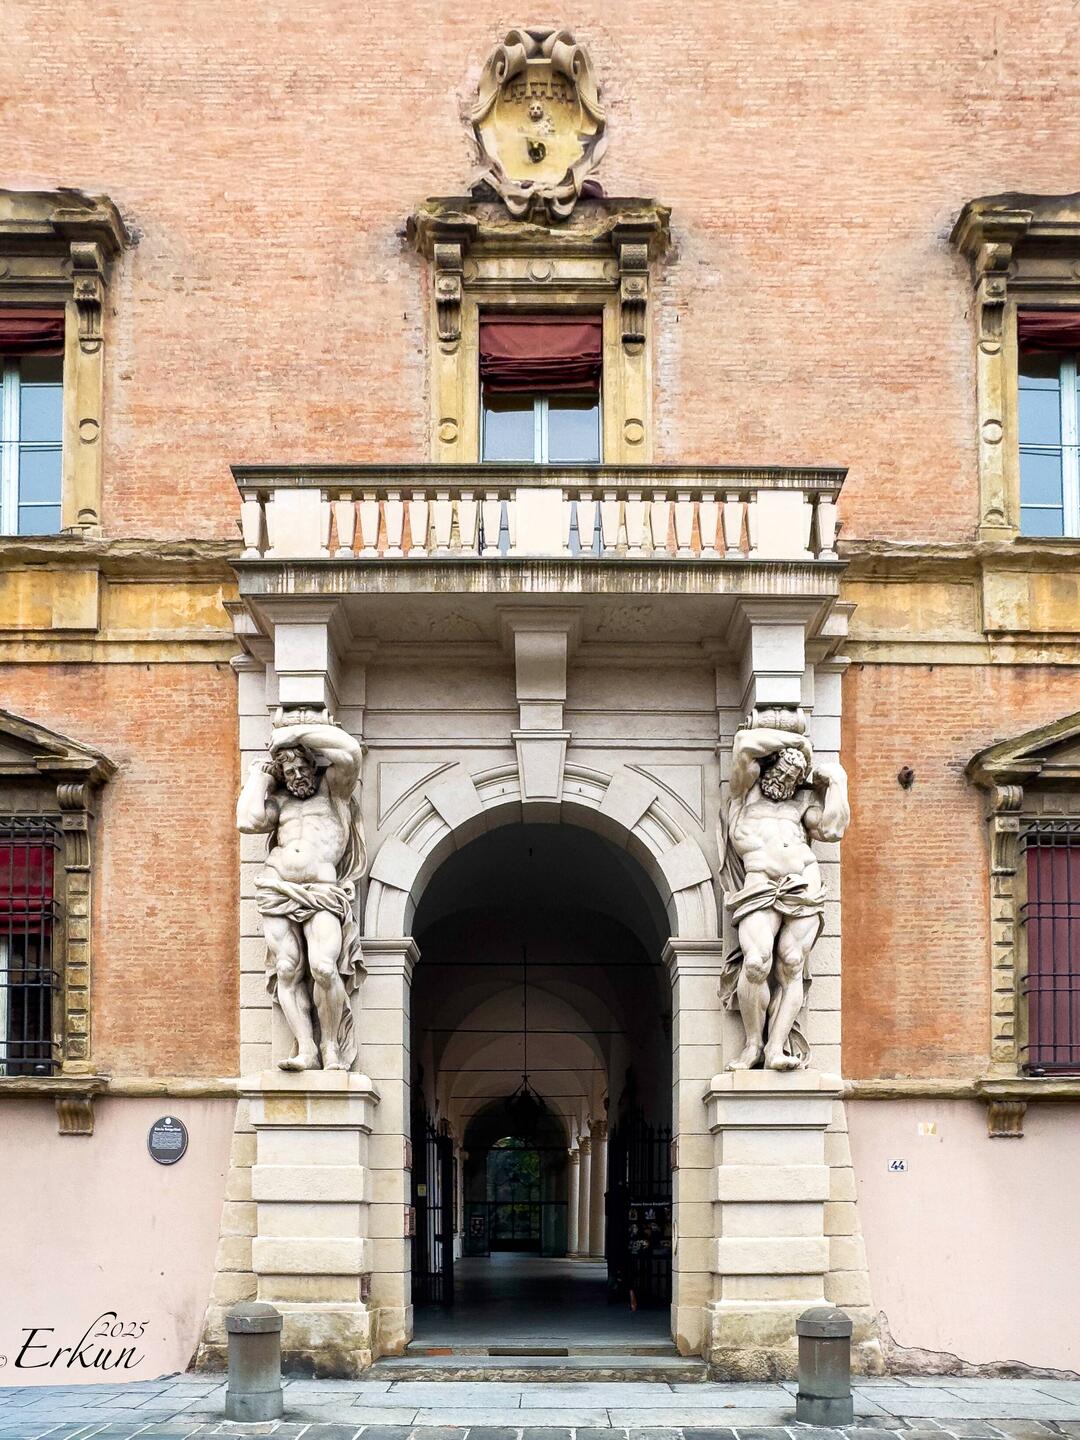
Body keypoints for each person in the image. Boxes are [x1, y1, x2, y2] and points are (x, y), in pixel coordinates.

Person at [717, 709, 849, 1071]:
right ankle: (753, 1045)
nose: (788, 780)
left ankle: (776, 1048)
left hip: (804, 883)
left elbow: (833, 830)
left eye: (795, 776)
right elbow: (744, 744)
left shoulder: (801, 807)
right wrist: (800, 746)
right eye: (784, 771)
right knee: (757, 963)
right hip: (759, 886)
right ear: (769, 766)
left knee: (792, 963)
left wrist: (837, 781)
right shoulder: (743, 796)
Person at [236, 714, 365, 1072]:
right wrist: (260, 774)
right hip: (277, 886)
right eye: (288, 772)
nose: (296, 777)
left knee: (323, 967)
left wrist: (290, 735)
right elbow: (246, 821)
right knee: (287, 967)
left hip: (322, 890)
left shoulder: (334, 791)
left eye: (301, 768)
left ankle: (331, 1046)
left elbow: (350, 752)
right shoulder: (279, 805)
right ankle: (306, 1049)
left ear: (313, 763)